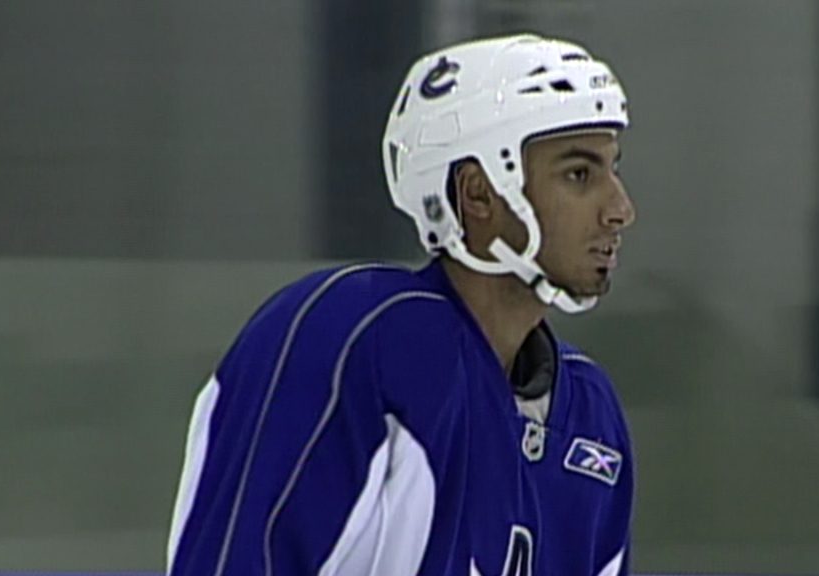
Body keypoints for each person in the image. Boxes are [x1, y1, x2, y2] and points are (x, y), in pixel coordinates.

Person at [166, 32, 637, 576]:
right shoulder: (357, 338)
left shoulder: (591, 415)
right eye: (579, 175)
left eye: (613, 169)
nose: (620, 209)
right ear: (478, 193)